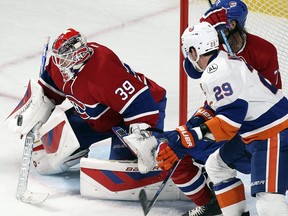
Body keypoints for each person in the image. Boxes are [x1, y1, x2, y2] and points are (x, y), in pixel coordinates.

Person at [155, 21, 288, 215]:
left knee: (267, 200)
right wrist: (185, 131)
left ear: (194, 51)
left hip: (273, 133)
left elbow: (230, 121)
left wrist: (190, 136)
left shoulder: (218, 72)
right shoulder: (222, 60)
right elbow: (215, 107)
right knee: (216, 166)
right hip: (254, 132)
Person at [5, 28, 167, 177]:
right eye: (58, 58)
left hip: (137, 113)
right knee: (44, 159)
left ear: (77, 56)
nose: (58, 62)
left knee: (126, 170)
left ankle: (167, 153)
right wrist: (35, 110)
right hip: (97, 117)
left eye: (64, 58)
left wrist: (144, 137)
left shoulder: (103, 71)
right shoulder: (59, 66)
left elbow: (140, 103)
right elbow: (48, 92)